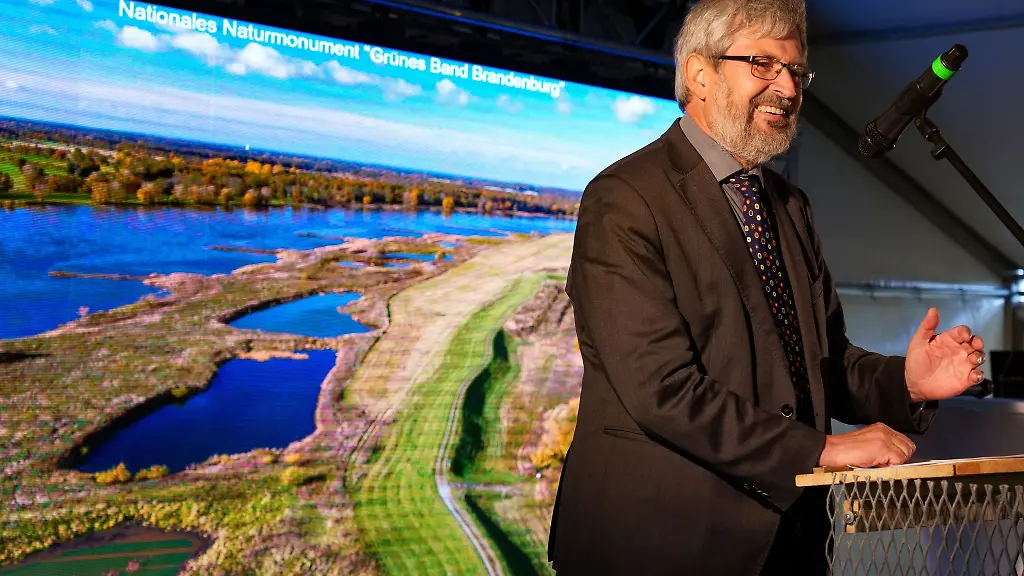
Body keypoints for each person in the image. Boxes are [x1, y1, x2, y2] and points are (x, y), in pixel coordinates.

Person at [546, 0, 988, 574]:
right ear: (699, 74)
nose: (787, 86)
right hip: (658, 542)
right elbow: (659, 388)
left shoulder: (789, 206)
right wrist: (821, 449)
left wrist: (908, 381)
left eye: (797, 72)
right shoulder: (624, 199)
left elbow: (821, 367)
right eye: (762, 64)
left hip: (790, 543)